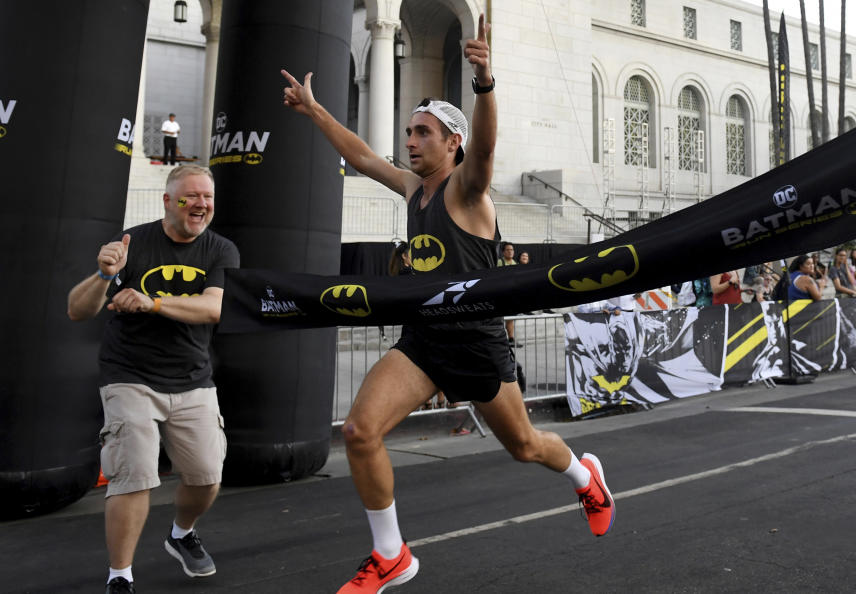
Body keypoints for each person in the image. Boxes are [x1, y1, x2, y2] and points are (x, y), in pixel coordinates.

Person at [281, 14, 614, 594]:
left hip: (478, 343)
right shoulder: (414, 189)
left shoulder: (466, 188)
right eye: (409, 132)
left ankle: (587, 477)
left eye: (423, 132)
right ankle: (390, 555)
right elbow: (362, 157)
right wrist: (315, 112)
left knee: (526, 446)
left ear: (451, 142)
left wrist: (484, 83)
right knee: (360, 431)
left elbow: (485, 150)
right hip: (425, 341)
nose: (409, 141)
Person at [66, 165, 240, 594]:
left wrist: (151, 303)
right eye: (189, 197)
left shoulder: (221, 250)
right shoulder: (133, 243)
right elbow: (78, 310)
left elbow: (213, 309)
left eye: (207, 198)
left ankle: (181, 533)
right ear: (168, 201)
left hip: (193, 378)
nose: (200, 204)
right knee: (135, 475)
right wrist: (104, 276)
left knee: (206, 477)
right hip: (131, 377)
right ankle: (120, 576)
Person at [497, 242, 520, 346]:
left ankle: (511, 339)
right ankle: (500, 339)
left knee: (510, 318)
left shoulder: (516, 264)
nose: (510, 252)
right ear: (503, 252)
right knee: (500, 318)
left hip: (512, 295)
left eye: (512, 250)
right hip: (501, 294)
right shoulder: (500, 262)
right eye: (508, 250)